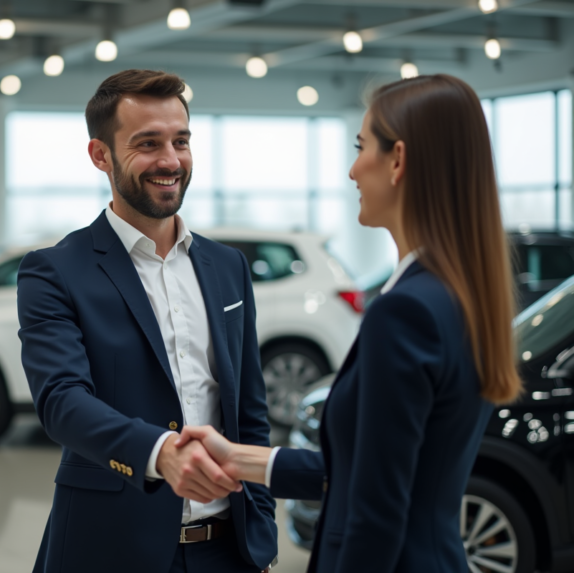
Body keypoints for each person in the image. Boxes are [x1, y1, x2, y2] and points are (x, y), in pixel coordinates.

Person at [176, 74, 523, 573]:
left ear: (398, 160)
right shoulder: (458, 295)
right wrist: (239, 459)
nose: (352, 169)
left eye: (362, 147)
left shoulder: (405, 313)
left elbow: (375, 514)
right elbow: (376, 472)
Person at [17, 69, 278, 573]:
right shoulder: (54, 270)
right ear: (100, 155)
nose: (170, 160)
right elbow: (62, 402)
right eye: (148, 143)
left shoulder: (227, 267)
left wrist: (259, 532)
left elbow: (249, 409)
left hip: (228, 551)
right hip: (109, 549)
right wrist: (160, 453)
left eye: (181, 141)